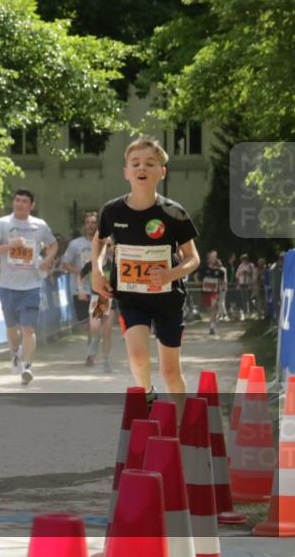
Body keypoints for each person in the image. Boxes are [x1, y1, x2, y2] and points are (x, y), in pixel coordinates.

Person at [92, 135, 200, 409]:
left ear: (161, 172)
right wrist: (96, 270)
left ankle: (181, 420)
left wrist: (169, 275)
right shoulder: (112, 210)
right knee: (139, 357)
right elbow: (100, 241)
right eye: (135, 163)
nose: (142, 168)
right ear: (126, 171)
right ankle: (148, 393)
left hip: (167, 299)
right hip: (131, 296)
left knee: (170, 372)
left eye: (150, 163)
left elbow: (192, 258)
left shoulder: (174, 213)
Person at [0, 189, 57, 386]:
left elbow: (53, 245)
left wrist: (47, 261)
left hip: (31, 286)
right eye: (17, 200)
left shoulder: (39, 225)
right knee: (11, 329)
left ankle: (27, 366)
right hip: (7, 286)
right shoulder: (2, 224)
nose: (20, 204)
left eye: (25, 201)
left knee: (28, 329)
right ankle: (15, 353)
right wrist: (10, 246)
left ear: (31, 205)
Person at [61, 211, 98, 364]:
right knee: (85, 324)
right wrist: (81, 271)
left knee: (96, 323)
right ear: (83, 226)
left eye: (93, 222)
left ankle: (91, 354)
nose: (90, 225)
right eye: (88, 223)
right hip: (80, 289)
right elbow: (65, 264)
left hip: (98, 289)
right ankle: (92, 349)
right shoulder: (75, 244)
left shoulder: (103, 242)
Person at [84, 238, 116, 373]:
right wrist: (80, 289)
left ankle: (106, 360)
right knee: (95, 327)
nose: (106, 247)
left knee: (107, 332)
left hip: (110, 299)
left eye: (109, 245)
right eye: (103, 245)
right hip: (98, 299)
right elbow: (81, 274)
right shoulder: (92, 263)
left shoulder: (115, 263)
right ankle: (95, 341)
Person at [198, 250, 226, 335]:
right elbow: (196, 276)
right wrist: (198, 282)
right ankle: (212, 322)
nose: (214, 258)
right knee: (209, 309)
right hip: (205, 292)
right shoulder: (204, 268)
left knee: (213, 307)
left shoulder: (220, 271)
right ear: (208, 258)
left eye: (215, 256)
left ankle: (212, 326)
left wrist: (222, 285)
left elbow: (223, 280)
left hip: (214, 292)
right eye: (212, 257)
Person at [236, 254, 256, 318]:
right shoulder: (240, 266)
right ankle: (245, 312)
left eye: (245, 259)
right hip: (242, 283)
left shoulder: (251, 265)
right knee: (243, 298)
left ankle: (251, 311)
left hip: (249, 284)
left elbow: (254, 274)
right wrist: (241, 273)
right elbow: (237, 275)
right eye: (242, 259)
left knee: (249, 298)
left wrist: (248, 273)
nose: (243, 260)